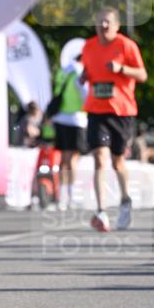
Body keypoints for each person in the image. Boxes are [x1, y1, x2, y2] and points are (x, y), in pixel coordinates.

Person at [80, 6, 147, 232]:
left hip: (122, 111)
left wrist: (122, 68)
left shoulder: (126, 46)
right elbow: (90, 70)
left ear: (117, 26)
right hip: (96, 109)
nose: (104, 26)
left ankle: (126, 199)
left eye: (108, 22)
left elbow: (142, 75)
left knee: (118, 161)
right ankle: (101, 211)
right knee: (99, 158)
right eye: (100, 22)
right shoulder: (88, 46)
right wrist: (84, 76)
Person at [50, 57, 88, 209]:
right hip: (76, 119)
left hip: (60, 118)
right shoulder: (79, 72)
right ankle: (71, 197)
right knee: (73, 160)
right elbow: (85, 95)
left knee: (63, 160)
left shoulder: (62, 72)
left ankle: (61, 197)